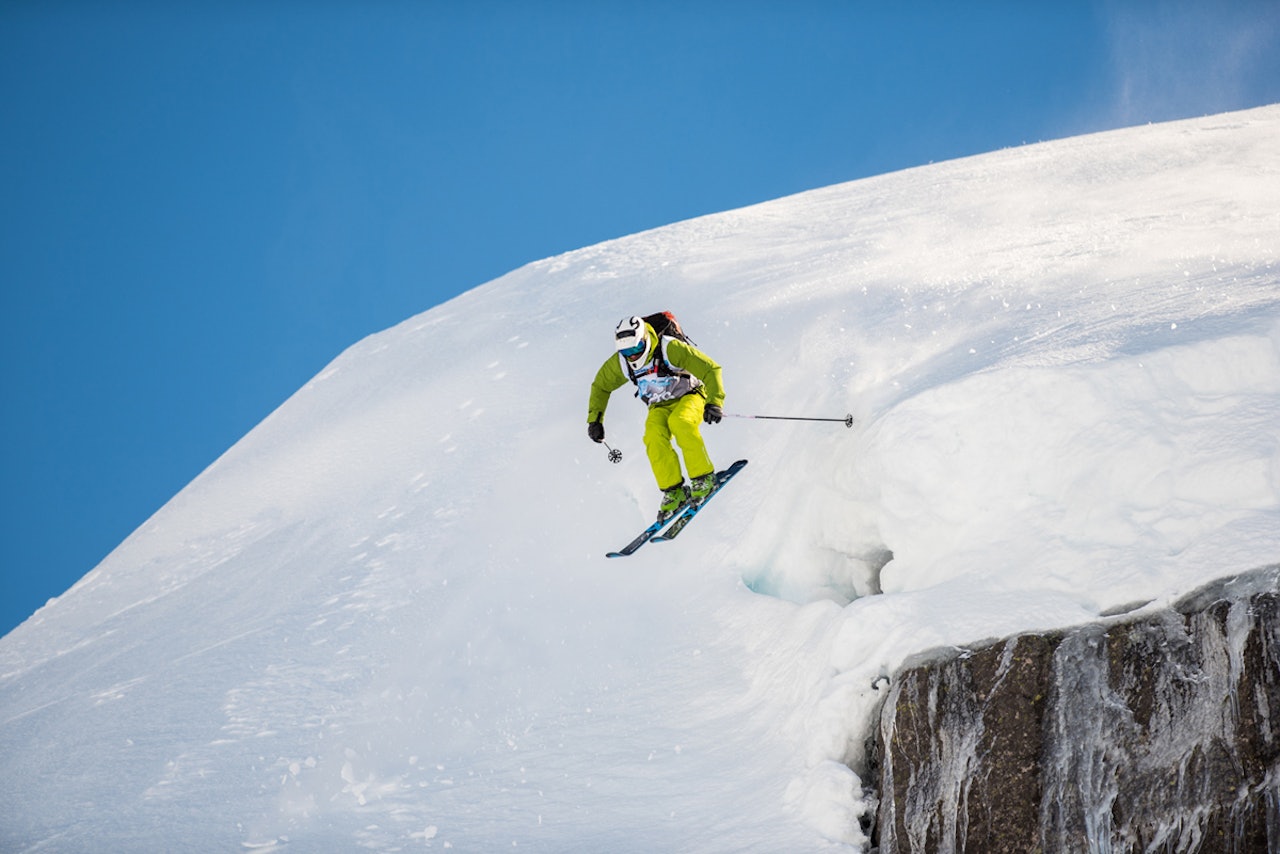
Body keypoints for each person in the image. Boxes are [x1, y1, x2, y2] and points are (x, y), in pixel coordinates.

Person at [588, 315, 725, 521]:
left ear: (644, 339)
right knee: (653, 437)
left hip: (690, 395)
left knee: (681, 423)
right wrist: (595, 420)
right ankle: (674, 491)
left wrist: (714, 402)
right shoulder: (622, 362)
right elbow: (601, 386)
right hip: (658, 406)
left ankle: (704, 478)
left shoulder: (669, 348)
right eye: (626, 352)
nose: (632, 357)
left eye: (635, 350)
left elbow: (710, 368)